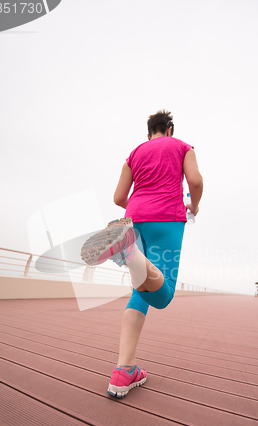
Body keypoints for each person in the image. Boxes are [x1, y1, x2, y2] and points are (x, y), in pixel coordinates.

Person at [81, 110, 203, 397]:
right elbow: (195, 182)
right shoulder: (183, 147)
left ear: (149, 133)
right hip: (167, 219)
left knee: (140, 292)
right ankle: (128, 250)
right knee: (164, 294)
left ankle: (124, 371)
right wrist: (194, 206)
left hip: (134, 218)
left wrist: (138, 204)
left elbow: (118, 198)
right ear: (170, 129)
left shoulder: (135, 153)